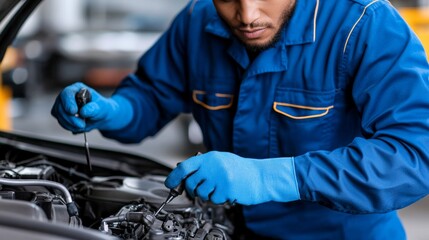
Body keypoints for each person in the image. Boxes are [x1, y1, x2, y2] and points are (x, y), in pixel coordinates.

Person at [51, 0, 429, 239]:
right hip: (230, 230)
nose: (247, 15)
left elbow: (415, 157)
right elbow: (151, 96)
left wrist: (272, 177)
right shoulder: (197, 21)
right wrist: (112, 111)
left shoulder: (365, 25)